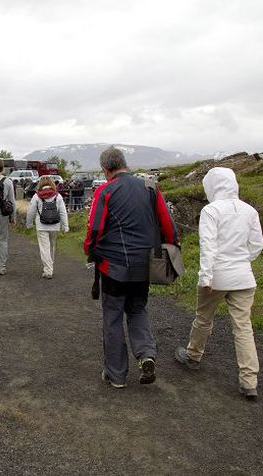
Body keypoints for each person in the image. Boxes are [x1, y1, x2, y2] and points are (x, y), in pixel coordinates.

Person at [84, 146, 179, 388]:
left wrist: (90, 250)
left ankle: (116, 375)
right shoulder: (150, 187)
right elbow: (167, 223)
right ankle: (146, 354)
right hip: (145, 264)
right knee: (137, 309)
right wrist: (171, 248)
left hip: (114, 266)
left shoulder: (105, 191)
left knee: (113, 317)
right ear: (124, 163)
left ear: (106, 170)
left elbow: (95, 227)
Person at [174, 167, 263, 401]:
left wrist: (206, 277)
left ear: (212, 186)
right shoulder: (250, 211)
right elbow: (256, 246)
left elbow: (208, 246)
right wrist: (242, 261)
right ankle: (249, 381)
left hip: (217, 276)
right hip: (244, 277)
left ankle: (193, 356)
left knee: (203, 318)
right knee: (243, 327)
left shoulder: (211, 210)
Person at [25, 176, 69, 279]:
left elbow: (31, 212)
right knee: (52, 246)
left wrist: (29, 224)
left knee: (44, 248)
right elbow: (63, 212)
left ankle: (48, 269)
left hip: (41, 226)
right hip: (54, 225)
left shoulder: (37, 196)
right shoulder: (57, 196)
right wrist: (65, 226)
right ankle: (50, 265)